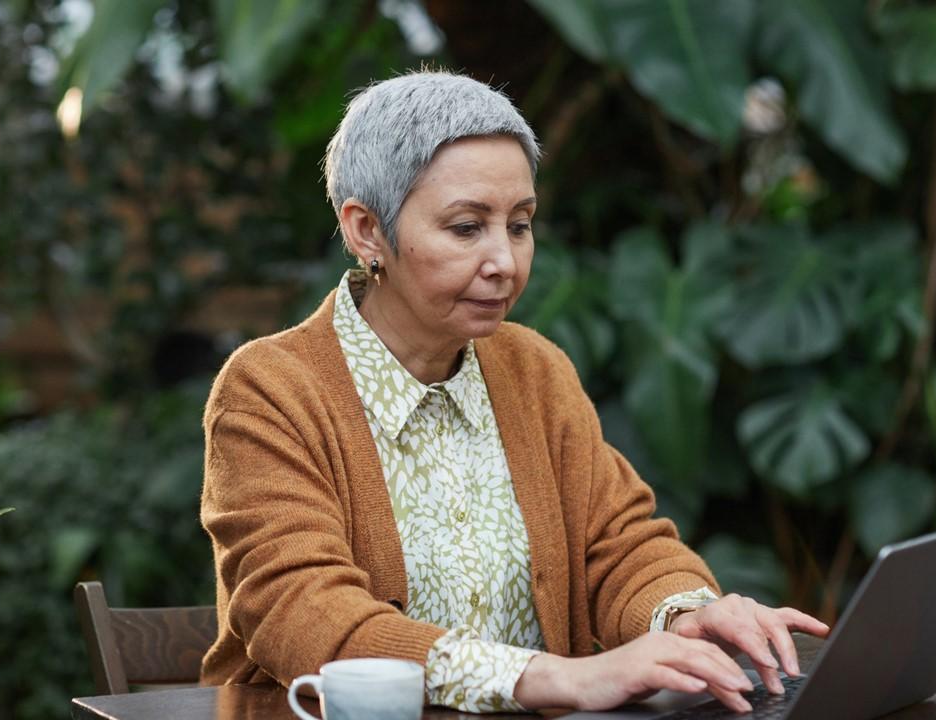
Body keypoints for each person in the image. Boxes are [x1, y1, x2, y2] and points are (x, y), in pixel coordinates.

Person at [199, 70, 828, 714]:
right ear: (366, 232)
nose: (506, 261)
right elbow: (305, 613)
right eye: (467, 228)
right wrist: (552, 678)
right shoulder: (269, 391)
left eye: (520, 224)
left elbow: (620, 546)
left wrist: (684, 616)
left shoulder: (533, 368)